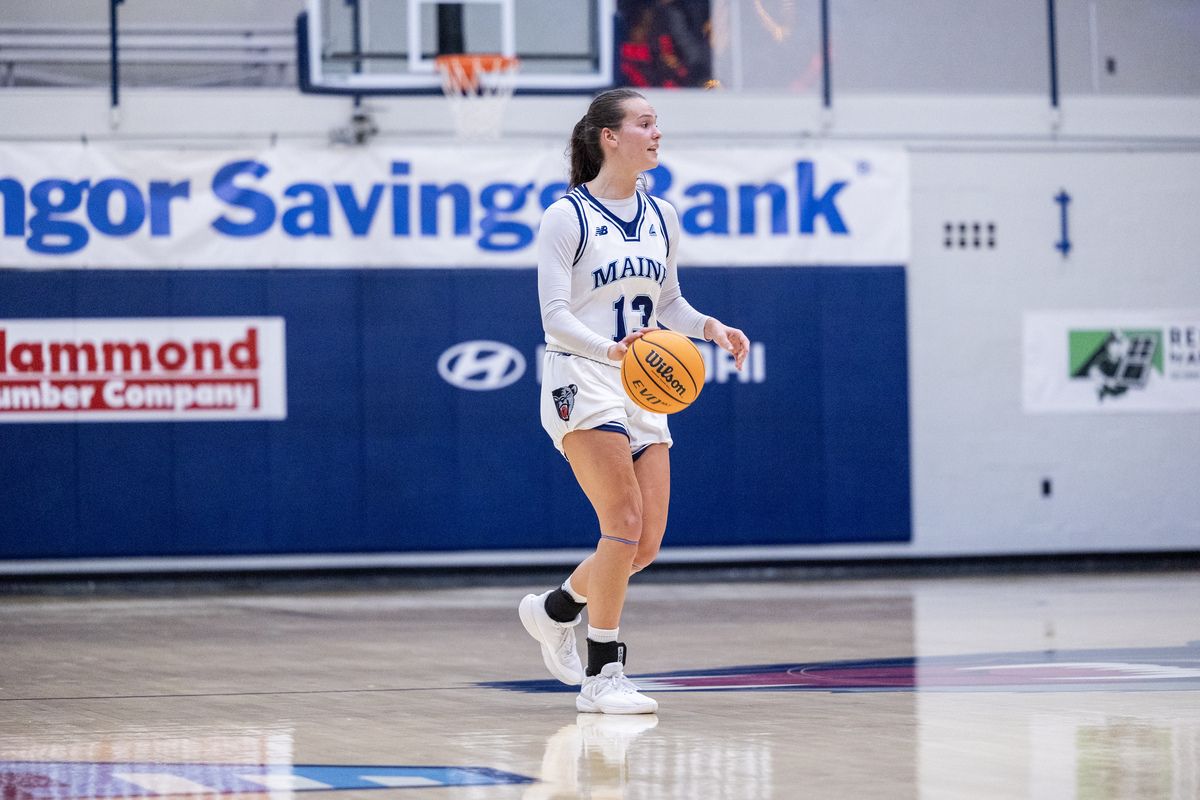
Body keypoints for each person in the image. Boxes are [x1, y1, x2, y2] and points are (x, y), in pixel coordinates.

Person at [520, 87, 749, 715]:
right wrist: (611, 350)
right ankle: (603, 674)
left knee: (642, 546)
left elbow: (668, 300)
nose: (656, 133)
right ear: (609, 137)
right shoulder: (566, 216)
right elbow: (553, 316)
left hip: (638, 382)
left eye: (657, 123)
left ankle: (555, 609)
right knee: (620, 523)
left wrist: (711, 328)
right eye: (644, 123)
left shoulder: (662, 215)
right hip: (581, 376)